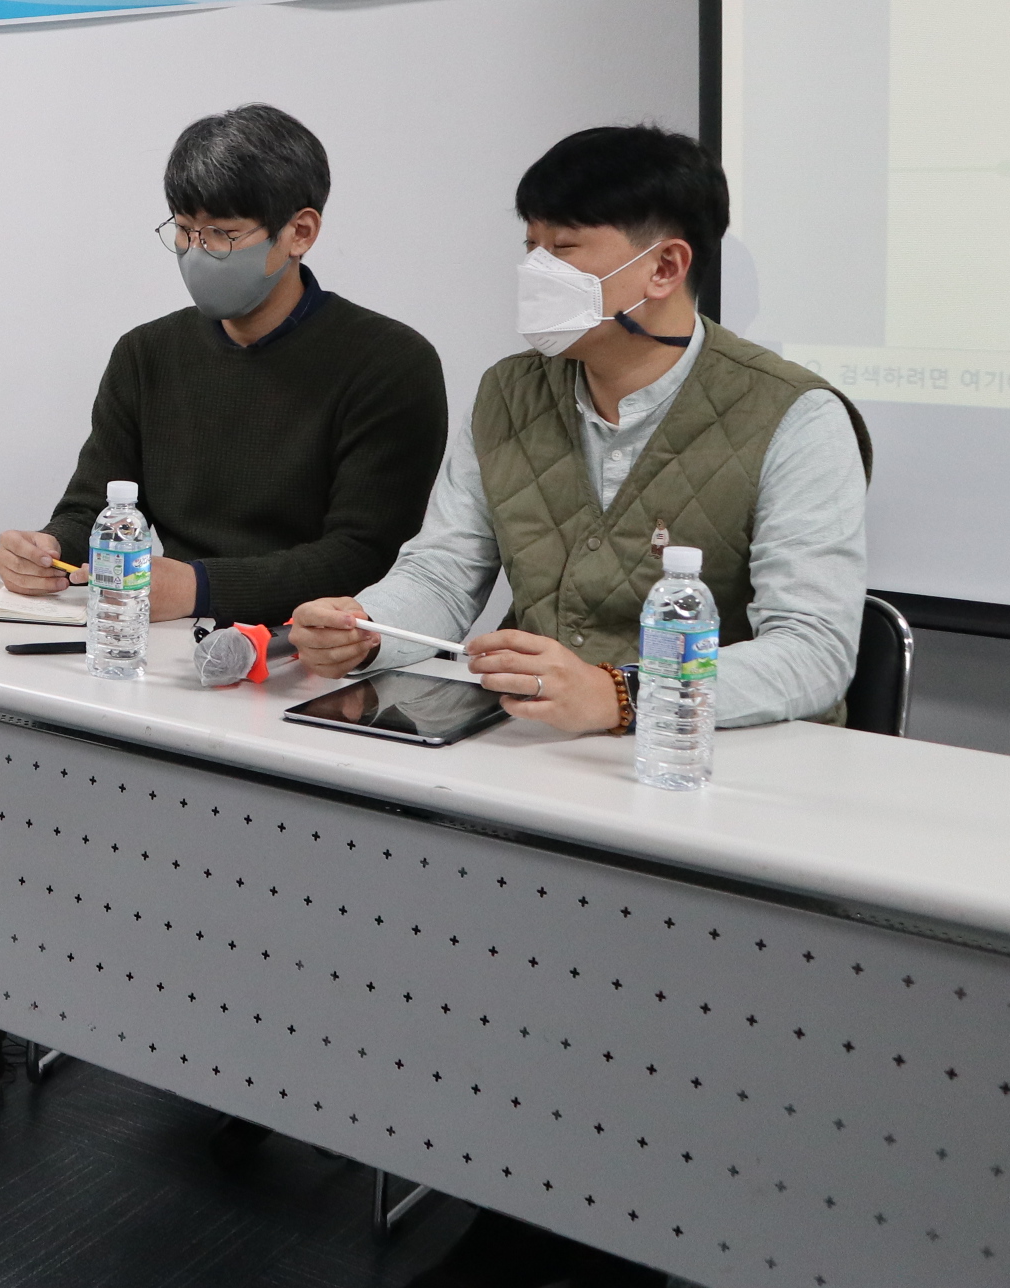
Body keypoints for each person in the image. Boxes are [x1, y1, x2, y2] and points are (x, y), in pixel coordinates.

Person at [285, 122, 870, 1288]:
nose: (535, 271)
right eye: (529, 245)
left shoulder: (793, 415)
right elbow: (444, 568)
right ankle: (530, 1197)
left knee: (637, 1027)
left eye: (566, 248)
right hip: (538, 776)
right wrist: (364, 617)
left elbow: (816, 654)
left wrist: (623, 694)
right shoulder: (510, 394)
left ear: (666, 265)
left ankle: (621, 1228)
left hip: (712, 798)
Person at [0, 102, 446, 633]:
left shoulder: (390, 364)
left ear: (299, 232)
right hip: (174, 638)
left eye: (222, 234)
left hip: (319, 648)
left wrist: (200, 587)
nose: (196, 252)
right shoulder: (146, 354)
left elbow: (364, 556)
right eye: (185, 230)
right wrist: (47, 549)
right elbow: (93, 507)